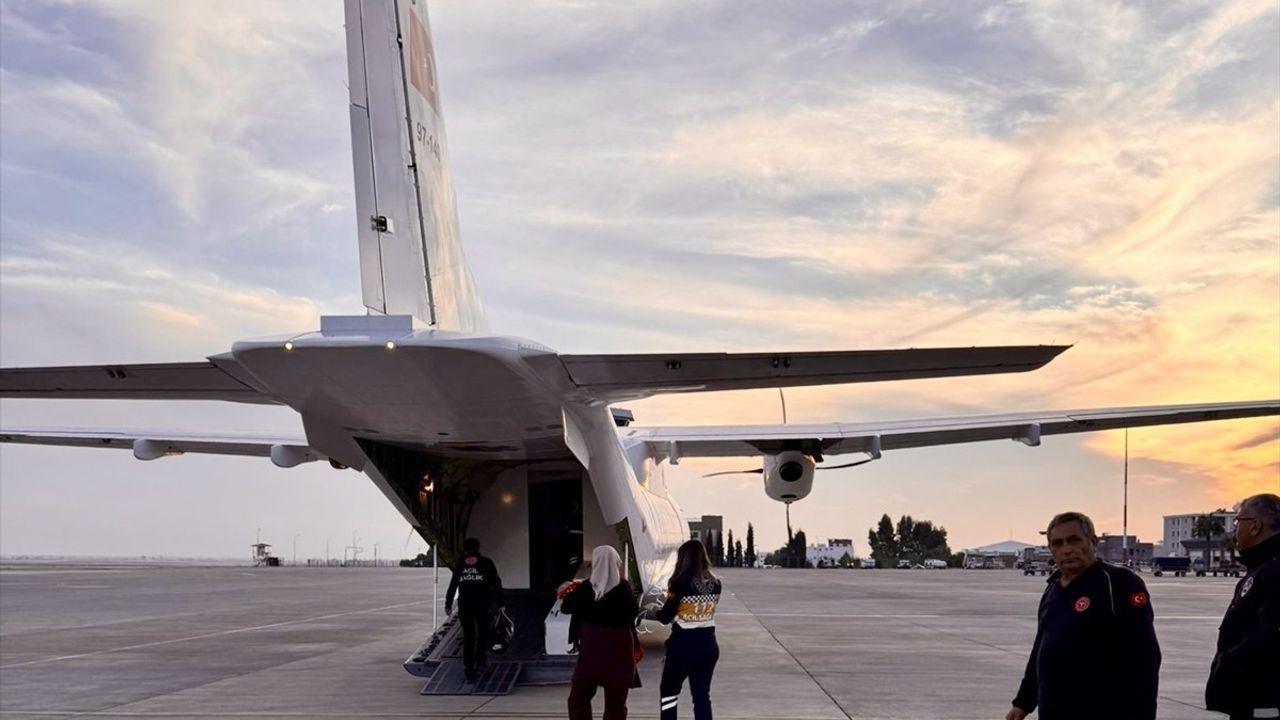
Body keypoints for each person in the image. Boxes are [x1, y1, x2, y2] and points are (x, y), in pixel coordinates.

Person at [1006, 511, 1161, 720]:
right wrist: (1023, 703)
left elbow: (1145, 658)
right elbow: (1041, 650)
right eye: (1057, 543)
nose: (1067, 550)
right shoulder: (1053, 589)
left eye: (1074, 540)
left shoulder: (1119, 583)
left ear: (1092, 542)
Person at [1206, 493, 1280, 719]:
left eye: (1238, 522)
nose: (1235, 529)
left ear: (1256, 526)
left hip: (1265, 702)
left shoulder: (1274, 571)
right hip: (1248, 700)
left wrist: (1229, 660)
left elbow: (1272, 634)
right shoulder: (1260, 568)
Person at [561, 545, 640, 720]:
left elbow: (566, 608)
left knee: (578, 698)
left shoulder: (585, 589)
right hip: (620, 652)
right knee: (616, 703)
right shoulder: (625, 589)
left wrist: (568, 591)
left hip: (592, 652)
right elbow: (632, 615)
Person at [655, 539, 722, 720]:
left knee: (669, 694)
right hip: (708, 646)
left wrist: (654, 610)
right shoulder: (716, 583)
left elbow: (666, 616)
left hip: (683, 647)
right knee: (701, 697)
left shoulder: (678, 583)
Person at [444, 536, 503, 683]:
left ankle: (469, 670)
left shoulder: (460, 565)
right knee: (483, 634)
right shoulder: (487, 563)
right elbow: (496, 583)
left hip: (465, 605)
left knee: (469, 637)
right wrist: (501, 602)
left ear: (465, 549)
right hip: (483, 604)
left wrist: (448, 603)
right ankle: (481, 662)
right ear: (478, 548)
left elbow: (453, 585)